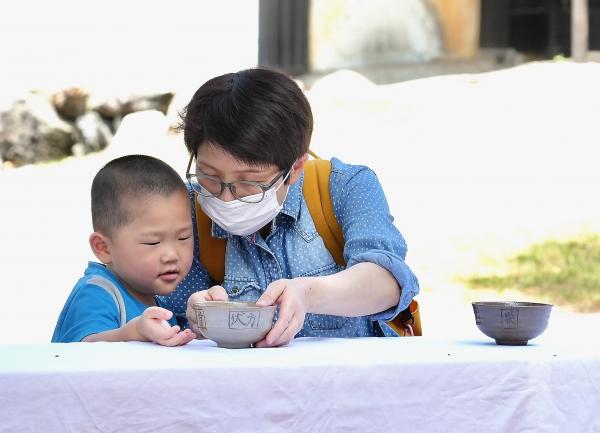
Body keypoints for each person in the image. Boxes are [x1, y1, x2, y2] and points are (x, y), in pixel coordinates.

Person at [162, 67, 420, 347]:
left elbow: (388, 282)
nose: (226, 199)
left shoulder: (344, 187)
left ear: (295, 167)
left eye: (249, 182)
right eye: (209, 176)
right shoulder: (185, 208)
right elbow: (157, 307)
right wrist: (192, 318)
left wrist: (309, 293)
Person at [52, 155, 196, 345]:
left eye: (183, 238)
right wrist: (134, 332)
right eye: (153, 242)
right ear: (103, 248)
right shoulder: (97, 293)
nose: (172, 255)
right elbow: (82, 350)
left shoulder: (155, 298)